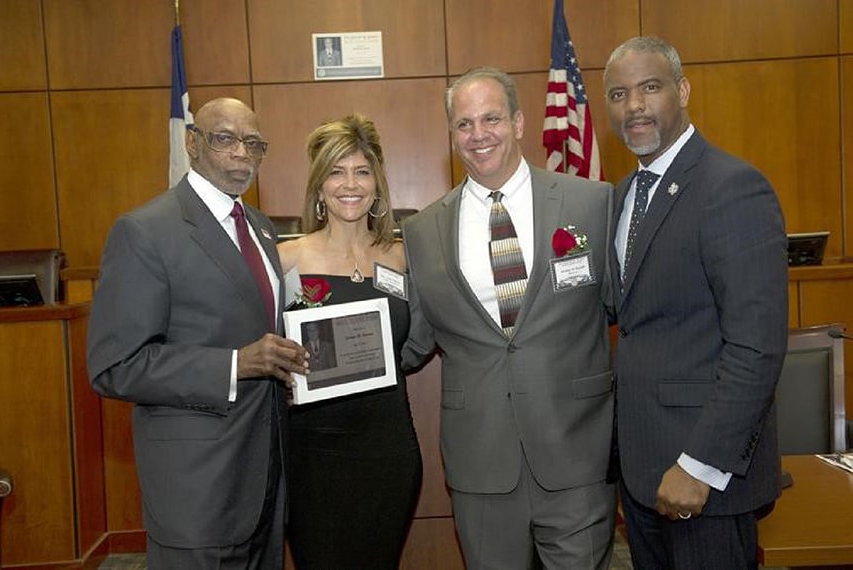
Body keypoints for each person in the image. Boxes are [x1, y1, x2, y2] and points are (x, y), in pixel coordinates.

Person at [402, 67, 617, 569]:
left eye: (492, 118)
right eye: (464, 124)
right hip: (481, 464)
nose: (479, 135)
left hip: (576, 451)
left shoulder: (591, 203)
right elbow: (414, 341)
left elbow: (623, 310)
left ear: (519, 122)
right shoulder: (421, 230)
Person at [87, 97, 307, 568]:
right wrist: (235, 364)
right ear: (192, 143)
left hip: (266, 478)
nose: (242, 154)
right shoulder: (145, 231)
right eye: (225, 138)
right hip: (197, 490)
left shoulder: (263, 229)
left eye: (254, 144)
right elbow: (114, 366)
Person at [603, 36, 788, 569]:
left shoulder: (731, 187)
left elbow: (756, 347)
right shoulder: (623, 196)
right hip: (643, 478)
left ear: (682, 90)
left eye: (650, 87)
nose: (633, 105)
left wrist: (700, 465)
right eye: (618, 94)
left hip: (704, 482)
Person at [276, 113, 422, 568]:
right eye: (336, 172)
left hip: (387, 449)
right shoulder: (286, 259)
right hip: (312, 454)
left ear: (377, 183)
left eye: (361, 171)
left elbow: (418, 340)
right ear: (319, 186)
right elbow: (261, 346)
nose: (350, 184)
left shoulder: (402, 255)